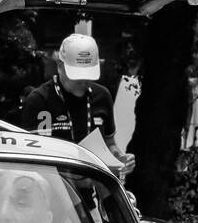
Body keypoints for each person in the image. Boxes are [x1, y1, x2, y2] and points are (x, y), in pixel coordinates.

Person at [18, 33, 136, 175]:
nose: (83, 81)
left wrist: (118, 157)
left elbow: (110, 143)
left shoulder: (102, 96)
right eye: (77, 75)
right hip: (55, 185)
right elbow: (30, 156)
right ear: (60, 66)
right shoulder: (39, 100)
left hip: (94, 185)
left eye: (88, 74)